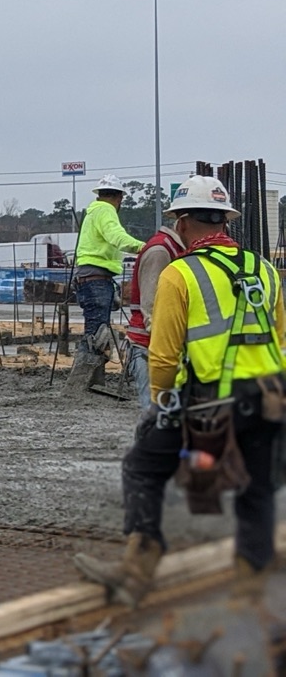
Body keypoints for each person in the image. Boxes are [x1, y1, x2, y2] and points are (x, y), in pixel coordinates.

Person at [73, 176, 285, 607]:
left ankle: (138, 569)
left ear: (184, 222)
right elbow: (280, 338)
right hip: (269, 396)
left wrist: (162, 405)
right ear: (225, 221)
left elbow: (165, 355)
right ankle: (251, 594)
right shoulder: (266, 269)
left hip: (212, 398)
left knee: (142, 468)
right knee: (257, 492)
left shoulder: (180, 273)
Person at [66, 174, 144, 391]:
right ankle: (82, 385)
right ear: (119, 198)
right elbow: (116, 236)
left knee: (96, 329)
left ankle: (92, 382)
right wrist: (144, 247)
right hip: (96, 279)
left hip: (92, 278)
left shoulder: (93, 212)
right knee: (97, 333)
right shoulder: (105, 211)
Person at [124, 218, 185, 410]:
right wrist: (166, 345)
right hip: (149, 347)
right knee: (157, 414)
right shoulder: (161, 251)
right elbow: (150, 306)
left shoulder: (173, 248)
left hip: (158, 347)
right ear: (184, 223)